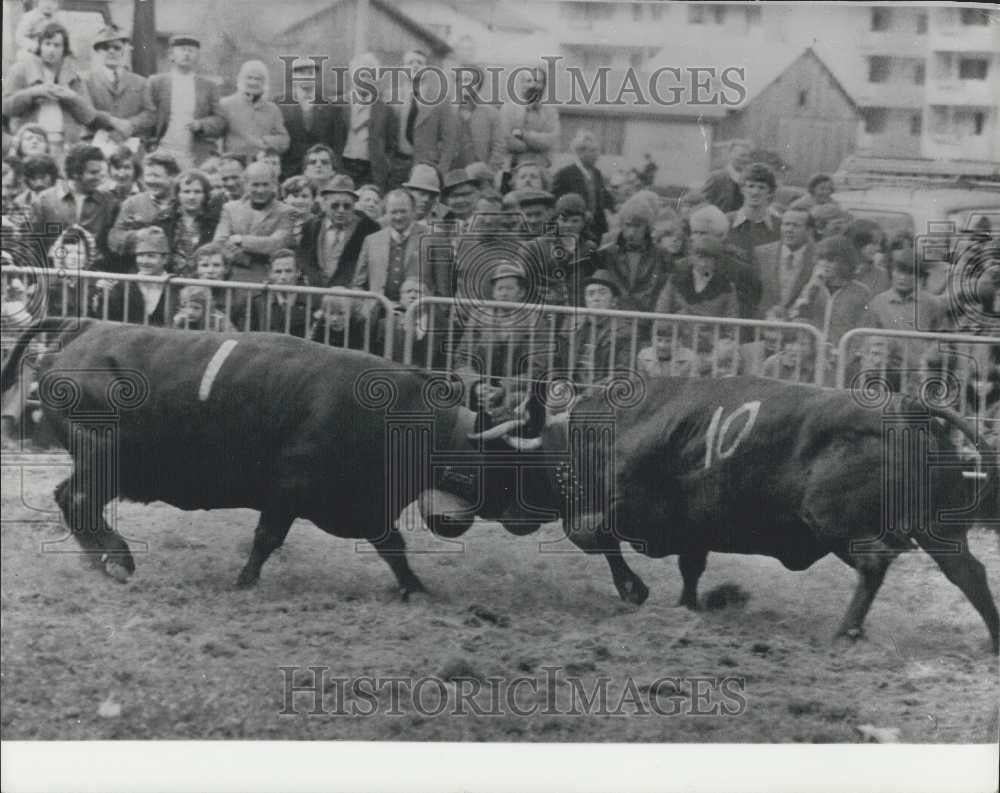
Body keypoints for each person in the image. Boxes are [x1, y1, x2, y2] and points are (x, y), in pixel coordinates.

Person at [2, 22, 97, 161]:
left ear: (64, 49)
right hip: (30, 144)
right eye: (47, 44)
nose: (51, 50)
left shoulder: (73, 75)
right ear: (40, 46)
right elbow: (5, 108)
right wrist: (32, 93)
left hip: (64, 145)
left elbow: (89, 116)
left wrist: (72, 97)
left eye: (57, 45)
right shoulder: (21, 70)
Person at [145, 35, 226, 168]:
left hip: (193, 154)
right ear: (172, 55)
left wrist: (201, 124)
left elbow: (220, 120)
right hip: (161, 150)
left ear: (197, 57)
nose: (187, 54)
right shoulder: (156, 83)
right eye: (182, 49)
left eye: (191, 50)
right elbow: (148, 115)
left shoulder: (209, 86)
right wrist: (150, 145)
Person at [31, 143, 118, 266]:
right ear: (75, 173)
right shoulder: (45, 200)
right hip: (53, 276)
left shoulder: (109, 202)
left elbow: (110, 249)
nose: (100, 177)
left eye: (100, 172)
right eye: (93, 172)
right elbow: (32, 244)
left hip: (94, 278)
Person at [213, 161, 294, 280]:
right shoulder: (230, 208)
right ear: (245, 185)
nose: (260, 190)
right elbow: (219, 243)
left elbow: (277, 244)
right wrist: (247, 260)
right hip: (236, 279)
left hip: (271, 280)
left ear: (274, 185)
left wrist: (241, 240)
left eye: (265, 185)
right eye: (255, 185)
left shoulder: (285, 211)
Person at [298, 174, 381, 288]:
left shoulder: (369, 229)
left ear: (354, 205)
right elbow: (305, 263)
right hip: (315, 294)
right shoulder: (310, 227)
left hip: (349, 296)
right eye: (335, 205)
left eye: (347, 206)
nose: (341, 210)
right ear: (325, 203)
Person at [389, 50, 457, 187]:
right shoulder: (391, 97)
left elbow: (449, 141)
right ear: (403, 68)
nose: (415, 66)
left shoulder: (440, 99)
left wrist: (440, 172)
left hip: (427, 167)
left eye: (420, 63)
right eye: (410, 62)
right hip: (397, 165)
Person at [789, 235, 871, 348]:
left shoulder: (861, 291)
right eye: (821, 259)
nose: (825, 264)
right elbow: (796, 318)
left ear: (845, 263)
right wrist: (811, 289)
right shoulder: (811, 286)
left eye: (831, 261)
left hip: (842, 354)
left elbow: (862, 330)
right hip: (811, 354)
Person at [331, 52, 396, 192]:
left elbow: (391, 145)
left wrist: (384, 165)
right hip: (343, 168)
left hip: (371, 171)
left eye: (369, 75)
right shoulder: (338, 105)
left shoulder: (385, 109)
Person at [594, 193, 669, 313]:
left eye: (638, 226)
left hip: (645, 318)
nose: (631, 232)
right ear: (621, 225)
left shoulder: (661, 255)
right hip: (613, 318)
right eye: (628, 225)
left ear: (647, 227)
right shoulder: (607, 253)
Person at [108, 150, 180, 269]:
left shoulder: (182, 201)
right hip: (143, 270)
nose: (151, 181)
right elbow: (114, 239)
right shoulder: (133, 203)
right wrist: (138, 235)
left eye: (156, 176)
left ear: (172, 176)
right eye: (148, 176)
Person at [352, 189, 423, 304]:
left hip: (417, 316)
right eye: (393, 212)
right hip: (377, 316)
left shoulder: (431, 240)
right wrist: (364, 309)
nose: (398, 217)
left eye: (403, 211)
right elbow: (358, 285)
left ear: (414, 211)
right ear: (385, 213)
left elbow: (442, 289)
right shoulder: (371, 241)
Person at [563, 269, 633, 385]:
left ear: (614, 300)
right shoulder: (572, 323)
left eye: (602, 293)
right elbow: (557, 359)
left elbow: (621, 372)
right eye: (590, 294)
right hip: (569, 386)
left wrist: (590, 393)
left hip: (600, 391)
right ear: (585, 300)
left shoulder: (625, 330)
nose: (596, 298)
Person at [85, 25, 153, 145]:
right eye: (105, 47)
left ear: (123, 51)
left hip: (131, 144)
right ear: (98, 51)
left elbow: (150, 114)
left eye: (117, 48)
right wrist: (112, 123)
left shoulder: (140, 82)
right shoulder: (87, 81)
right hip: (97, 144)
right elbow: (86, 112)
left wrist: (130, 124)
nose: (111, 51)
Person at [94, 226, 174, 324]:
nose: (144, 261)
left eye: (151, 256)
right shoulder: (122, 287)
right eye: (140, 255)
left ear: (165, 259)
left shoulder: (175, 287)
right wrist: (102, 295)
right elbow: (105, 321)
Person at [277, 60, 340, 180]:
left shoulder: (329, 106)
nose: (306, 77)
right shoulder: (280, 103)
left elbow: (336, 141)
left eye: (310, 73)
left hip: (320, 170)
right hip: (288, 169)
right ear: (293, 77)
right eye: (301, 73)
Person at [219, 60, 289, 162]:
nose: (253, 82)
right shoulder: (225, 104)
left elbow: (284, 140)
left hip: (261, 164)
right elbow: (216, 137)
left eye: (258, 79)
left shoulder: (273, 109)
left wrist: (266, 141)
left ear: (264, 83)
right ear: (241, 80)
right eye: (249, 78)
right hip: (232, 163)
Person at [753, 207, 816, 319]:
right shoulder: (761, 253)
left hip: (801, 326)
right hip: (763, 325)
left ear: (809, 231)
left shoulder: (817, 257)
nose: (789, 230)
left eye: (796, 226)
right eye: (786, 224)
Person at [156, 168, 219, 275]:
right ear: (177, 194)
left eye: (197, 192)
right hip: (172, 282)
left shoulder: (215, 220)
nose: (191, 197)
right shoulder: (164, 219)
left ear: (205, 195)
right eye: (186, 191)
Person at [499, 64, 560, 172]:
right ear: (522, 84)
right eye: (528, 81)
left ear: (544, 86)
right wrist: (535, 146)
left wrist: (524, 135)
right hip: (512, 168)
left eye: (538, 82)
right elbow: (506, 141)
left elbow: (550, 141)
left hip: (541, 171)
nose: (533, 85)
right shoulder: (508, 109)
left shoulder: (550, 112)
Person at [552, 130, 610, 241]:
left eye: (597, 150)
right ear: (580, 152)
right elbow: (556, 202)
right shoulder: (565, 174)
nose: (597, 155)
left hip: (596, 229)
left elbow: (603, 197)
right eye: (593, 151)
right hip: (574, 229)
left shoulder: (597, 173)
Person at [726, 162, 780, 263]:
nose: (755, 192)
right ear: (742, 189)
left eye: (761, 187)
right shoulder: (726, 222)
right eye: (751, 186)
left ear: (770, 192)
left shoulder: (779, 225)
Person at [451, 68, 503, 172]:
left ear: (479, 85)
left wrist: (489, 171)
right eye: (463, 80)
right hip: (452, 173)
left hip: (481, 173)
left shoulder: (491, 113)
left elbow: (499, 146)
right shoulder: (447, 112)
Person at [249, 249, 308, 337]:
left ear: (298, 272)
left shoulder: (312, 301)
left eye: (288, 271)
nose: (283, 277)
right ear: (270, 274)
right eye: (278, 272)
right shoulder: (258, 302)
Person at [702, 139, 751, 213]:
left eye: (748, 156)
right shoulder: (716, 177)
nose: (745, 159)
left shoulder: (750, 179)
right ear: (730, 154)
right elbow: (703, 203)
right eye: (742, 155)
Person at [846, 218, 890, 296]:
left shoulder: (882, 275)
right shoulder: (838, 271)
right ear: (858, 242)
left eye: (879, 243)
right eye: (874, 243)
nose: (878, 248)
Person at [281, 175, 316, 247]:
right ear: (285, 199)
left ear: (313, 200)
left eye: (304, 196)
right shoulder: (279, 223)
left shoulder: (319, 224)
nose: (300, 201)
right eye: (295, 196)